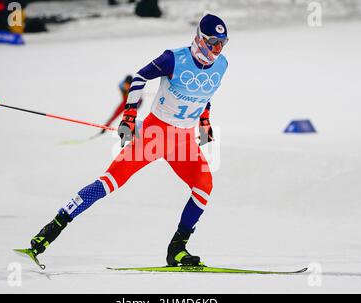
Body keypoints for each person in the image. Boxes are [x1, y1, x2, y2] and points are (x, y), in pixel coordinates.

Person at [24, 14, 229, 267]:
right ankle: (52, 228)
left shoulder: (222, 66)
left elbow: (205, 94)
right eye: (213, 42)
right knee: (110, 182)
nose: (217, 49)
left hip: (184, 141)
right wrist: (129, 117)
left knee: (203, 186)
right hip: (156, 134)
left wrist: (205, 122)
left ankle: (177, 249)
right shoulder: (174, 58)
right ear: (199, 38)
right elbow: (140, 78)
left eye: (223, 43)